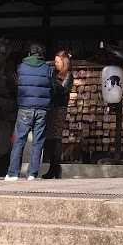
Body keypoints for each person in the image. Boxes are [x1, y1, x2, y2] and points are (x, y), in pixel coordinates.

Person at [5, 42, 55, 181]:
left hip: (24, 108)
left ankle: (13, 173)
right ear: (42, 55)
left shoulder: (21, 68)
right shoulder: (48, 69)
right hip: (42, 109)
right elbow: (53, 88)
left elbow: (17, 84)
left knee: (19, 140)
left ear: (29, 53)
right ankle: (32, 174)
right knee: (38, 142)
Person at [42, 49, 72, 180]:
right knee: (49, 138)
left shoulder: (68, 75)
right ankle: (52, 167)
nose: (56, 64)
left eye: (58, 61)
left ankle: (56, 167)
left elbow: (63, 90)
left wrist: (53, 82)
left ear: (64, 62)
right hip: (50, 106)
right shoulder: (53, 73)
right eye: (55, 61)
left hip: (60, 107)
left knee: (56, 136)